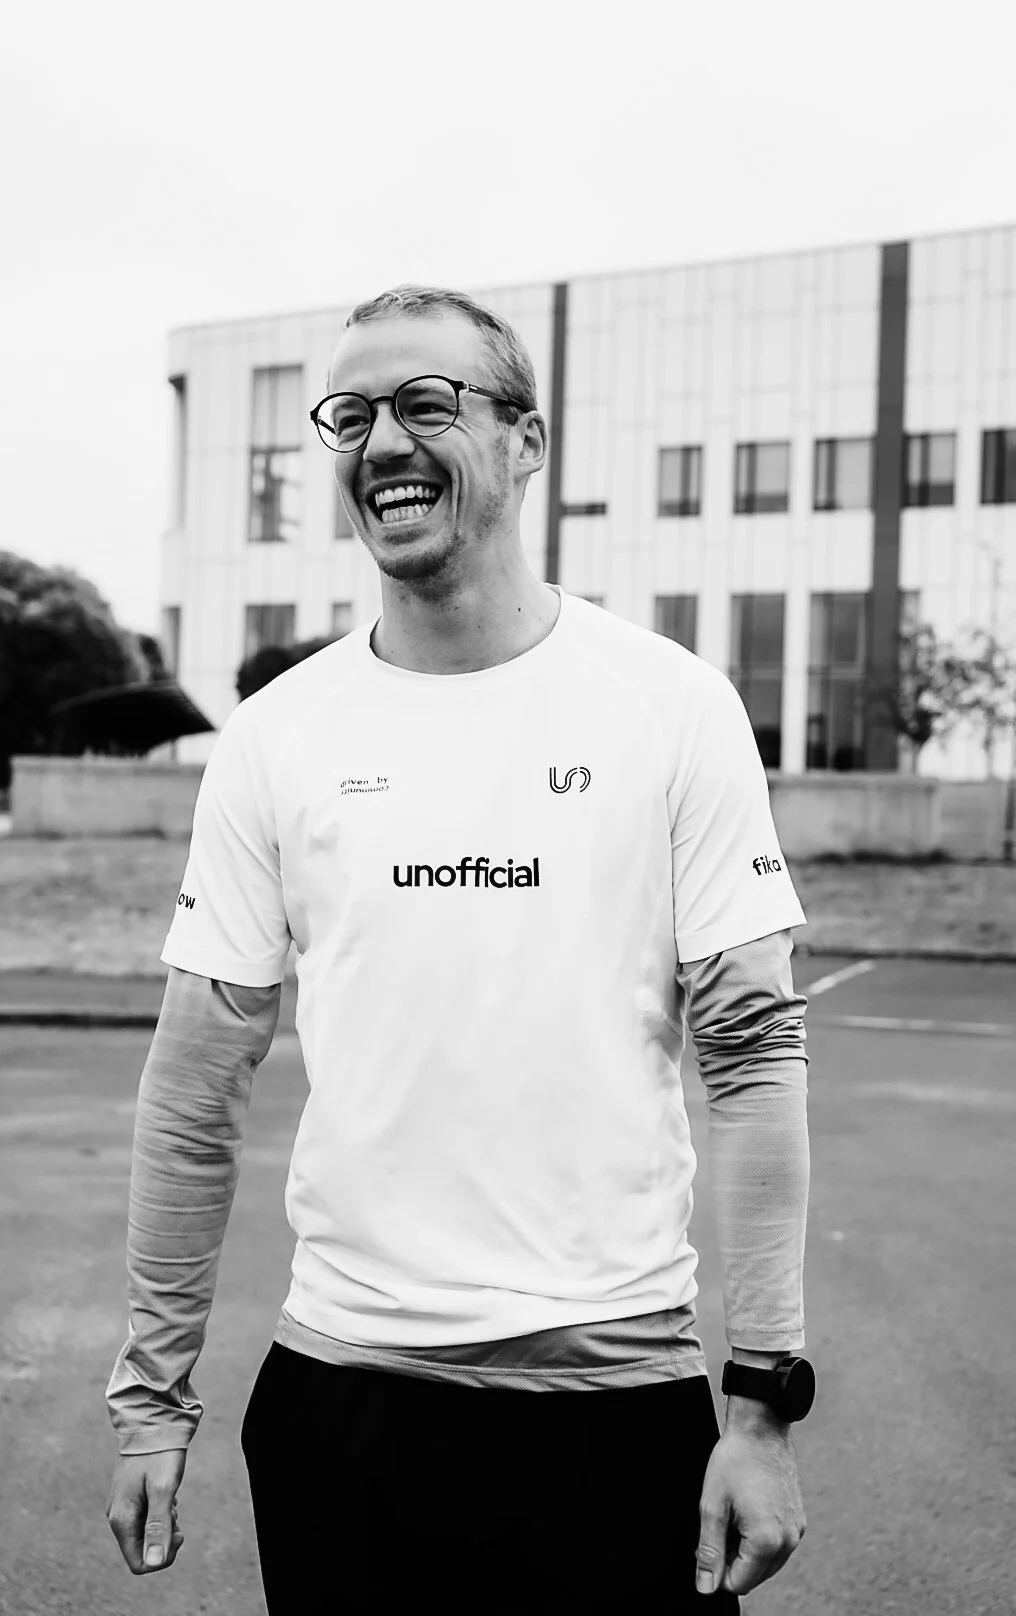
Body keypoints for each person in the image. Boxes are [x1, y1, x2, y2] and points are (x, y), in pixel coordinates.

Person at [106, 285, 812, 1612]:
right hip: (343, 1405)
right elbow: (194, 1090)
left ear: (527, 442)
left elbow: (757, 1060)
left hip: (620, 1406)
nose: (382, 444)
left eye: (427, 404)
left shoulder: (667, 706)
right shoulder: (278, 735)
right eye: (352, 414)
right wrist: (151, 1400)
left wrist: (762, 1406)